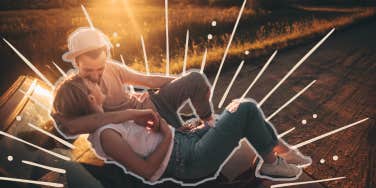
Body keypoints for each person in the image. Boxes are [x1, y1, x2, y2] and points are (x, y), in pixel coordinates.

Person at [51, 77, 312, 185]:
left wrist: (174, 131)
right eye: (90, 84)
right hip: (188, 161)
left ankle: (279, 153)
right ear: (89, 97)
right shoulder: (106, 135)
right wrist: (166, 136)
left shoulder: (105, 122)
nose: (96, 83)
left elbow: (137, 127)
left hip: (184, 143)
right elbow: (148, 173)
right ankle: (271, 162)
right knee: (243, 108)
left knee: (236, 113)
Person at [50, 27, 215, 139]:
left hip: (155, 102)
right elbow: (69, 127)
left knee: (195, 79)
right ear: (76, 63)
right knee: (190, 142)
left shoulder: (112, 68)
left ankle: (209, 121)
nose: (95, 75)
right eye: (88, 70)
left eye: (100, 68)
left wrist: (182, 83)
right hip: (146, 128)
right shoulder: (74, 90)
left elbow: (148, 80)